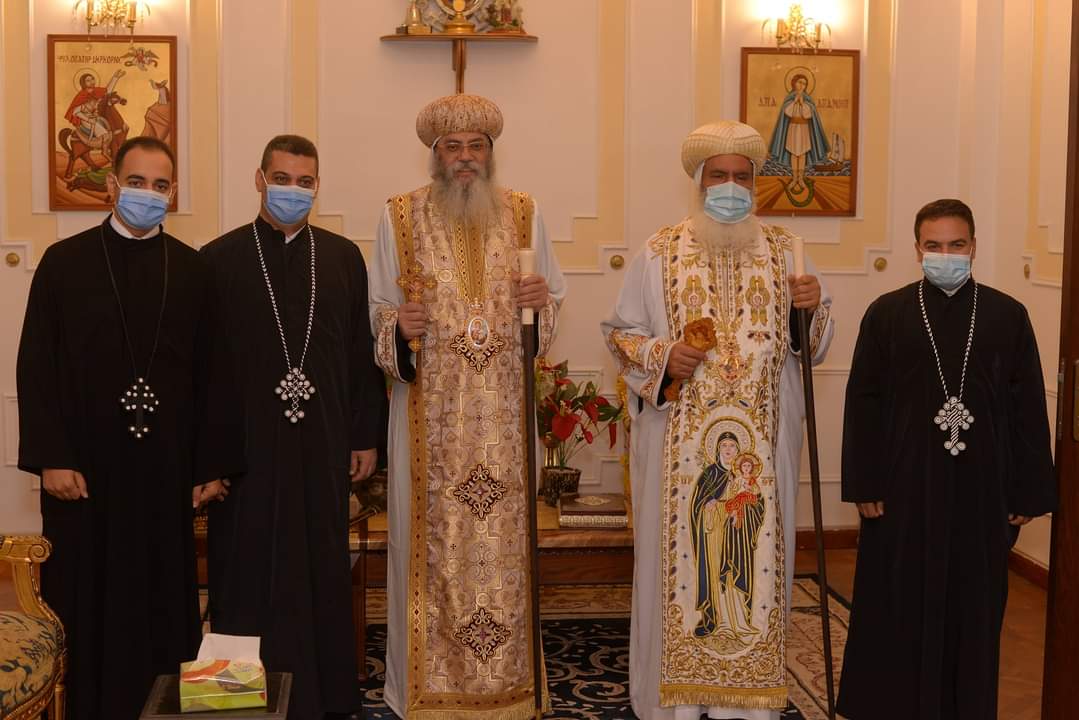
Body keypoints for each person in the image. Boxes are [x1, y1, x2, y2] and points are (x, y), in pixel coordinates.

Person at [601, 120, 834, 720]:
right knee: (683, 569)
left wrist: (810, 313)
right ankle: (673, 703)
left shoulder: (786, 251)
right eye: (719, 176)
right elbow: (621, 334)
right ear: (699, 182)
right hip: (678, 450)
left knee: (753, 563)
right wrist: (663, 355)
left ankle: (747, 704)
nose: (731, 187)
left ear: (756, 184)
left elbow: (811, 348)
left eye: (742, 177)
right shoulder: (659, 251)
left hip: (762, 450)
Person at [17, 136, 242, 719]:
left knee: (160, 595)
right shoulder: (63, 264)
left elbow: (216, 373)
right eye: (136, 182)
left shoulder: (194, 271)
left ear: (174, 193)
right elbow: (36, 365)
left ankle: (162, 707)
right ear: (112, 186)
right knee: (86, 592)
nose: (148, 194)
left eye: (160, 185)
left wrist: (210, 467)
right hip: (83, 470)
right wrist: (51, 457)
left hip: (165, 468)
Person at [369, 93, 566, 720]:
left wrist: (541, 303)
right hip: (430, 421)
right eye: (452, 147)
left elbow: (550, 305)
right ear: (435, 155)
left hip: (504, 419)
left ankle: (510, 690)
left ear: (490, 153)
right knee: (429, 553)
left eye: (476, 146)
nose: (464, 158)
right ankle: (425, 692)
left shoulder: (525, 212)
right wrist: (396, 326)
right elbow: (377, 309)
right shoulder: (399, 216)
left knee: (504, 555)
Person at [837, 198, 1057, 719]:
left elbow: (1027, 403)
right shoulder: (887, 313)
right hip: (903, 487)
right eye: (933, 245)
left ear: (974, 246)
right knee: (898, 604)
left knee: (973, 608)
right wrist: (864, 482)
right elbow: (864, 400)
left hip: (982, 486)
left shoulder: (1007, 314)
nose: (945, 255)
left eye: (956, 244)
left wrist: (1028, 490)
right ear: (917, 250)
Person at [201, 134, 384, 720]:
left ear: (317, 186)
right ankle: (232, 699)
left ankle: (322, 698)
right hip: (244, 449)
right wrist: (207, 460)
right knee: (242, 567)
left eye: (305, 182)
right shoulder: (217, 259)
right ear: (259, 180)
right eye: (281, 179)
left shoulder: (341, 258)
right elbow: (203, 371)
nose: (292, 191)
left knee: (318, 566)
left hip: (322, 442)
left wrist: (364, 434)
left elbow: (358, 353)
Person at [767, 74, 829, 194]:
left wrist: (803, 103)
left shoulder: (808, 99)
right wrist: (795, 102)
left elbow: (809, 114)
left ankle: (801, 178)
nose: (801, 85)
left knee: (802, 153)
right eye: (799, 82)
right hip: (793, 128)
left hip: (804, 129)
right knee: (793, 153)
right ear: (794, 83)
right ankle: (794, 178)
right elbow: (787, 112)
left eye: (804, 83)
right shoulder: (789, 98)